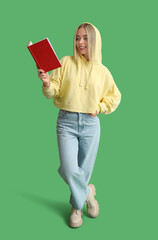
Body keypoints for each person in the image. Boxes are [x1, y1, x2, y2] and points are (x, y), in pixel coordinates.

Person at [37, 22, 121, 228]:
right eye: (77, 38)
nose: (80, 42)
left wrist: (100, 108)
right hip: (66, 122)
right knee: (68, 167)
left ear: (94, 41)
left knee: (83, 170)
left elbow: (115, 97)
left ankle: (77, 207)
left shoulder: (103, 71)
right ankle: (87, 194)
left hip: (91, 124)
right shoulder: (64, 62)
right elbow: (53, 92)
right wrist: (47, 82)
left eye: (85, 38)